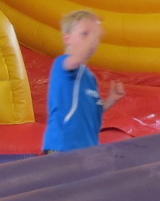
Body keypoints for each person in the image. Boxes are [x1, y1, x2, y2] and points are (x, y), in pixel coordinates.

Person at [42, 9, 126, 153]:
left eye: (95, 36)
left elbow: (94, 110)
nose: (92, 41)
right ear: (67, 38)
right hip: (64, 146)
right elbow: (76, 60)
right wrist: (91, 36)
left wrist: (111, 100)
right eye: (85, 34)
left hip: (87, 147)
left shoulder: (89, 77)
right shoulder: (62, 64)